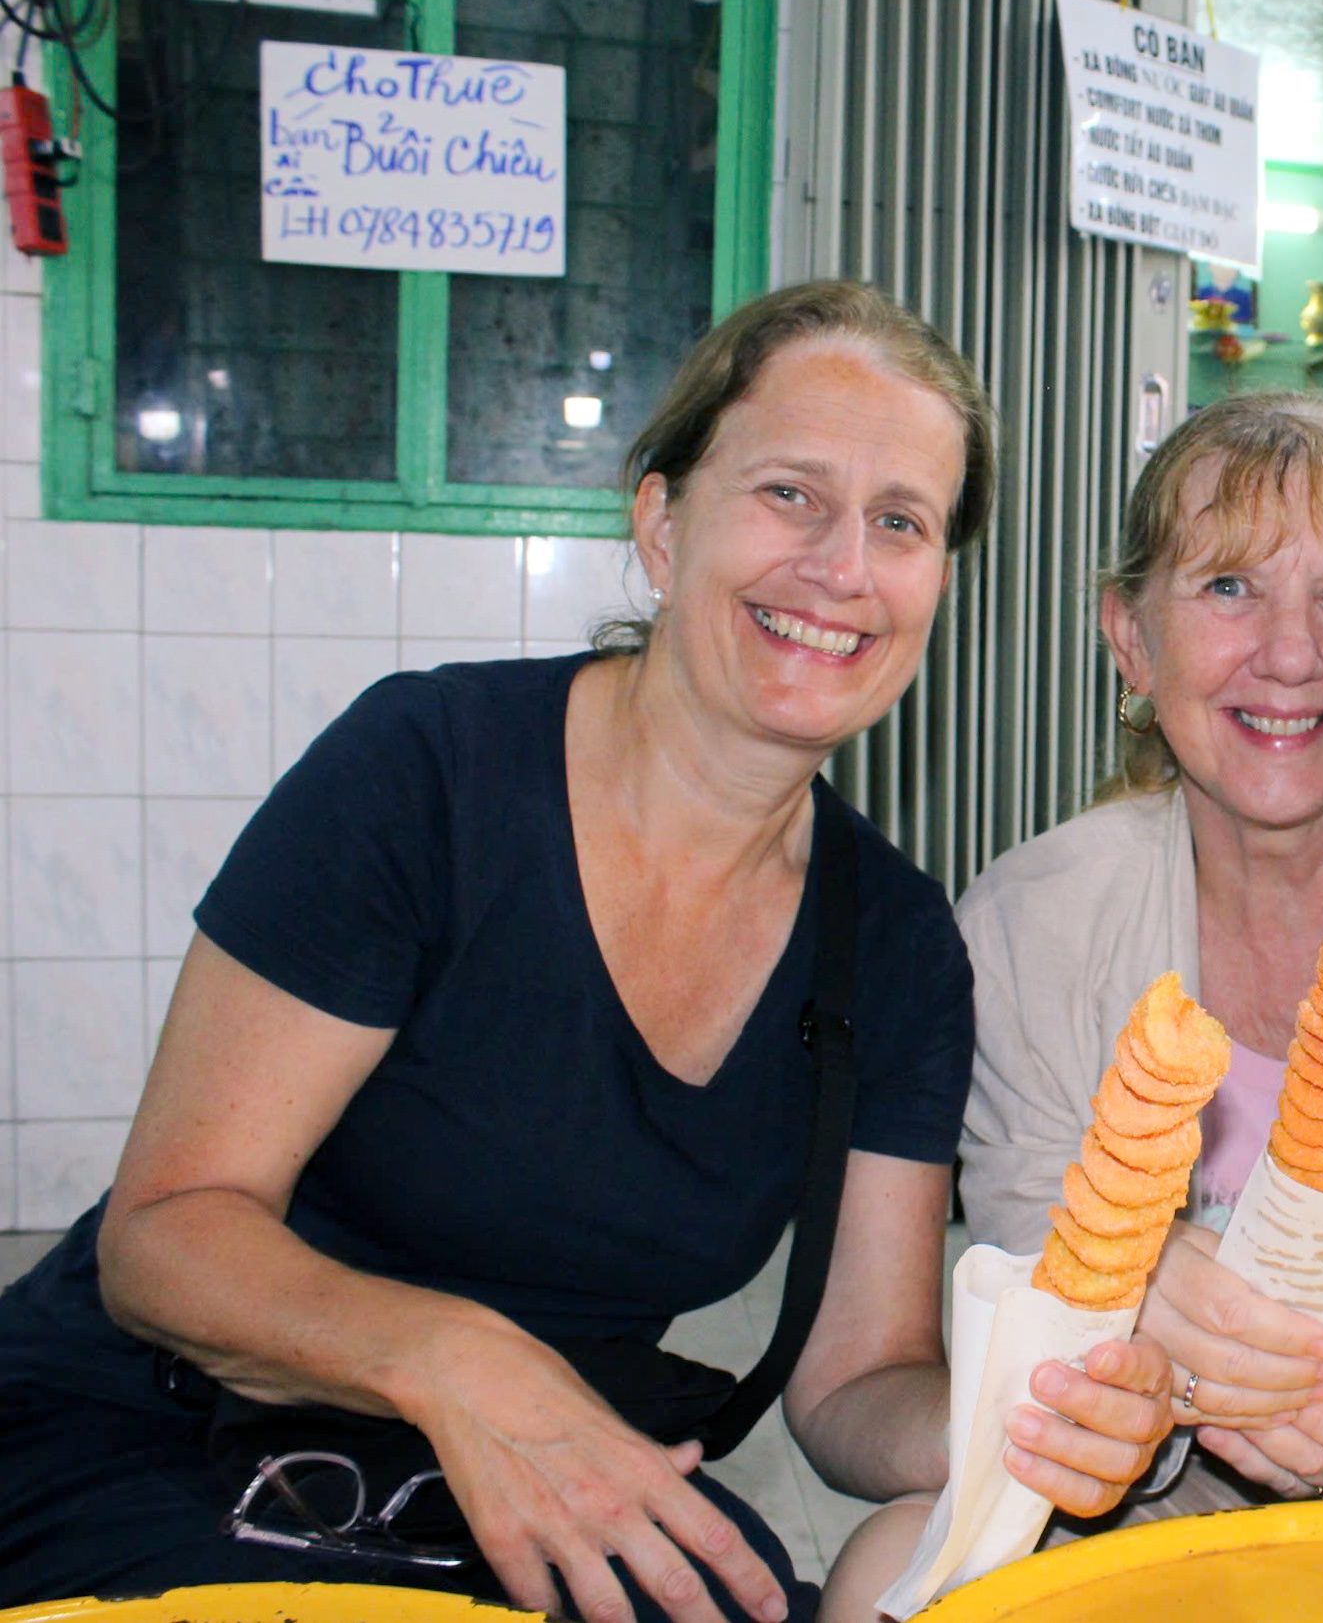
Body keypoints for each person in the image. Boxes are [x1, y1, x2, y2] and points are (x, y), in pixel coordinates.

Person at [0, 281, 1172, 1623]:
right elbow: (164, 1238)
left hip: (554, 1477)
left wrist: (1030, 1413)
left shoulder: (896, 944)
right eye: (789, 493)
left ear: (938, 583)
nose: (843, 566)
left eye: (900, 521)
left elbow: (856, 1381)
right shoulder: (429, 775)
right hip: (166, 1435)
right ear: (661, 521)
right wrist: (455, 1358)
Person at [954, 392, 1323, 1533]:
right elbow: (1036, 1292)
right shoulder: (1027, 930)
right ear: (1131, 638)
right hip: (1154, 1518)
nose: (1291, 654)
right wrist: (1133, 1307)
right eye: (1226, 586)